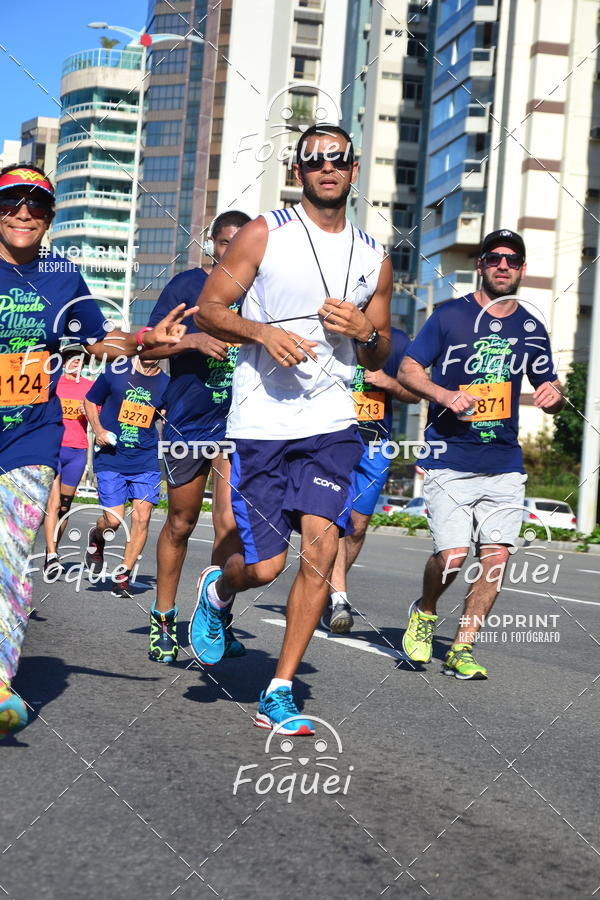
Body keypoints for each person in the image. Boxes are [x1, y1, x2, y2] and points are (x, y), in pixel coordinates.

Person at [190, 124, 392, 735]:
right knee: (265, 568)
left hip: (331, 423)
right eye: (314, 159)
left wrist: (365, 333)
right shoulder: (263, 233)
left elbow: (380, 350)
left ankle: (278, 690)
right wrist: (262, 333)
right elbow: (209, 310)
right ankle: (219, 592)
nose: (327, 167)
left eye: (338, 158)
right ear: (297, 170)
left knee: (322, 549)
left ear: (354, 170)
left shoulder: (374, 255)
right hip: (262, 423)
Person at [0, 163, 194, 740]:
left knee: (9, 557)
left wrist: (144, 340)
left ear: (50, 217)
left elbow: (99, 340)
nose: (24, 213)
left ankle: (1, 683)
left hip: (28, 437)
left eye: (37, 205)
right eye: (12, 202)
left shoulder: (62, 276)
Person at [398, 229, 565, 679]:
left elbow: (548, 384)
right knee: (453, 555)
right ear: (481, 265)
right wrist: (444, 394)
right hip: (449, 457)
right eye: (494, 258)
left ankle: (462, 648)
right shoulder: (449, 316)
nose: (503, 266)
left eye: (512, 259)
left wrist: (555, 394)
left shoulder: (531, 327)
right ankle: (425, 611)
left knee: (495, 559)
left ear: (522, 269)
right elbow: (409, 369)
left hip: (503, 463)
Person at [142, 210, 251, 665]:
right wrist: (192, 341)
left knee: (231, 524)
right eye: (225, 243)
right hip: (188, 421)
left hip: (241, 425)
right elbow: (147, 345)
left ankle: (216, 616)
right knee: (181, 522)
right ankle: (163, 619)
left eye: (241, 244)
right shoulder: (187, 286)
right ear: (211, 244)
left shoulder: (261, 291)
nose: (232, 252)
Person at [325, 326, 418, 632]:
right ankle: (338, 598)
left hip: (375, 445)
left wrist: (386, 381)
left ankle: (327, 588)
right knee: (336, 520)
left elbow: (414, 394)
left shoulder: (397, 340)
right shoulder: (332, 333)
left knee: (357, 527)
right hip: (332, 439)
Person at [83, 357, 170, 598]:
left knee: (142, 518)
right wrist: (98, 430)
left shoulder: (166, 383)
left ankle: (123, 575)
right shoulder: (116, 371)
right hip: (111, 457)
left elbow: (167, 413)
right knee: (113, 521)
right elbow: (90, 400)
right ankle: (97, 536)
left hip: (145, 459)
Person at [43, 346, 95, 578]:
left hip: (77, 451)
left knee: (64, 507)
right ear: (63, 363)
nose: (76, 363)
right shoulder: (53, 384)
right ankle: (52, 556)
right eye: (72, 359)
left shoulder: (90, 387)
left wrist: (89, 410)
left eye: (80, 360)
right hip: (54, 448)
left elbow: (98, 417)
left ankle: (51, 550)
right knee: (54, 504)